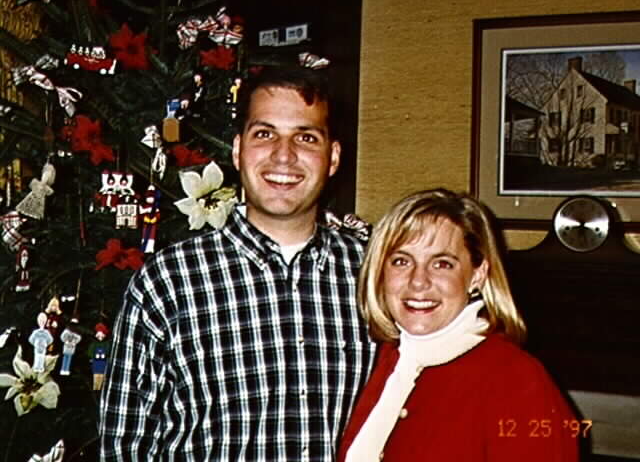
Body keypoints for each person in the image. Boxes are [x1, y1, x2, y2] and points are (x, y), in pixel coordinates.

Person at [99, 66, 375, 461]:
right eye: (265, 134)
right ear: (237, 150)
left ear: (332, 158)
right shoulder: (168, 282)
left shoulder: (376, 275)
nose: (284, 155)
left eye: (306, 137)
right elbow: (125, 446)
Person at [337, 188, 579, 462]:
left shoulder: (518, 380)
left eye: (442, 264)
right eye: (401, 261)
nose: (418, 281)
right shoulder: (384, 359)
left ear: (477, 275)